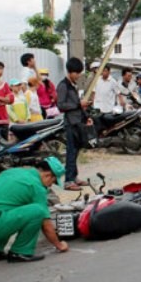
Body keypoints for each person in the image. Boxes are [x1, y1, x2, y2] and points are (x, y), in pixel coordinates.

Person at [0, 156, 69, 263]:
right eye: (53, 181)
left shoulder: (13, 172)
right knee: (37, 211)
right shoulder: (36, 186)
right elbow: (46, 224)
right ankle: (20, 251)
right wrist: (60, 245)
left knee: (8, 209)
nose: (51, 185)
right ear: (48, 175)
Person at [57, 57, 92, 191]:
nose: (78, 76)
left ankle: (74, 177)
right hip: (71, 124)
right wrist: (79, 104)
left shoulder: (73, 85)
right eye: (76, 73)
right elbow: (61, 106)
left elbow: (78, 106)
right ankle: (68, 181)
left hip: (78, 122)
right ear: (70, 72)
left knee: (76, 152)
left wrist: (86, 117)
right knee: (71, 153)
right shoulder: (63, 86)